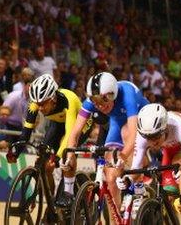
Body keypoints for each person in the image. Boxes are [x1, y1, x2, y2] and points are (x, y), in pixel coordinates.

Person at [64, 72, 149, 207]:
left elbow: (133, 135)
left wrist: (122, 156)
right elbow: (74, 133)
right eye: (95, 103)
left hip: (143, 121)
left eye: (103, 102)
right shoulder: (91, 101)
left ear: (112, 94)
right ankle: (117, 218)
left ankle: (139, 183)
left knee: (126, 135)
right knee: (110, 176)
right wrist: (69, 155)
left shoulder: (127, 95)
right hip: (117, 123)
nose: (100, 107)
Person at [9, 74, 85, 206]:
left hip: (79, 125)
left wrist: (57, 157)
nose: (40, 108)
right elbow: (26, 132)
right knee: (43, 160)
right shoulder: (35, 104)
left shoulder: (69, 100)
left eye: (43, 104)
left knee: (66, 156)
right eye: (38, 104)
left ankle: (68, 192)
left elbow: (69, 136)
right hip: (57, 123)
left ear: (53, 98)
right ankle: (51, 203)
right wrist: (16, 152)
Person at [121, 103, 181, 195]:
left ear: (165, 128)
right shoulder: (142, 135)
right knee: (169, 192)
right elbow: (136, 167)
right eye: (148, 137)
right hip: (170, 148)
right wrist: (128, 179)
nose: (153, 141)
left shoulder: (177, 125)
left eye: (156, 136)